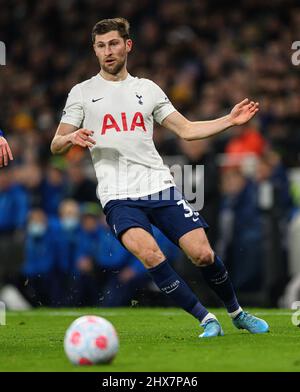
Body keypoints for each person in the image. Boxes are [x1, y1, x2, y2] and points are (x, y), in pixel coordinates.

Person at [51, 18, 269, 338]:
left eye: (113, 44)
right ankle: (206, 319)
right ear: (94, 50)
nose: (107, 51)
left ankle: (237, 313)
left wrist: (229, 120)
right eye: (100, 46)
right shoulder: (82, 93)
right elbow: (55, 143)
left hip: (158, 186)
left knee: (202, 253)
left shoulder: (147, 88)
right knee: (151, 253)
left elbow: (187, 130)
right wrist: (71, 139)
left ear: (128, 45)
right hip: (117, 194)